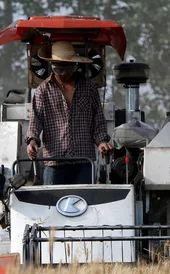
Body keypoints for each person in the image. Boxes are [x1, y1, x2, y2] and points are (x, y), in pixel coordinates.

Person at [25, 41, 113, 185]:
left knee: (85, 202)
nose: (63, 75)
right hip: (55, 161)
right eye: (59, 70)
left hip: (84, 161)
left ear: (75, 67)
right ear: (52, 67)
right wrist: (32, 141)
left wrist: (102, 141)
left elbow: (98, 119)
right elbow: (36, 119)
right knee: (52, 204)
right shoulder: (43, 90)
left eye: (68, 70)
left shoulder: (89, 88)